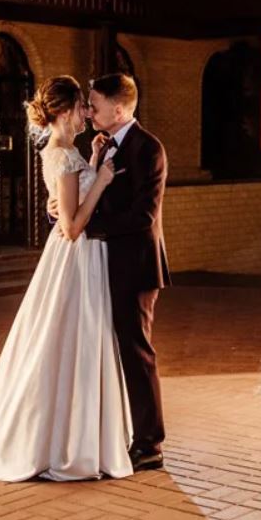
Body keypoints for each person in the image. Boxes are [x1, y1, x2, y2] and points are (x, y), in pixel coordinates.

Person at [0, 75, 132, 480]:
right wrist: (102, 181)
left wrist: (94, 162)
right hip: (76, 256)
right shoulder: (62, 155)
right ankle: (62, 439)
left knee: (68, 339)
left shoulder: (66, 152)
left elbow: (67, 202)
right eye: (81, 106)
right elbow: (72, 227)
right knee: (70, 339)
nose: (86, 113)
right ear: (64, 111)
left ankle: (68, 433)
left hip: (79, 258)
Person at [84, 73, 170, 472]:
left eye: (94, 105)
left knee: (137, 353)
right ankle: (124, 431)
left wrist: (88, 226)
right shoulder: (105, 145)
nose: (89, 112)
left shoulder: (147, 148)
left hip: (135, 267)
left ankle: (150, 444)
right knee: (116, 351)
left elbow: (143, 216)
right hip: (108, 263)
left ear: (118, 109)